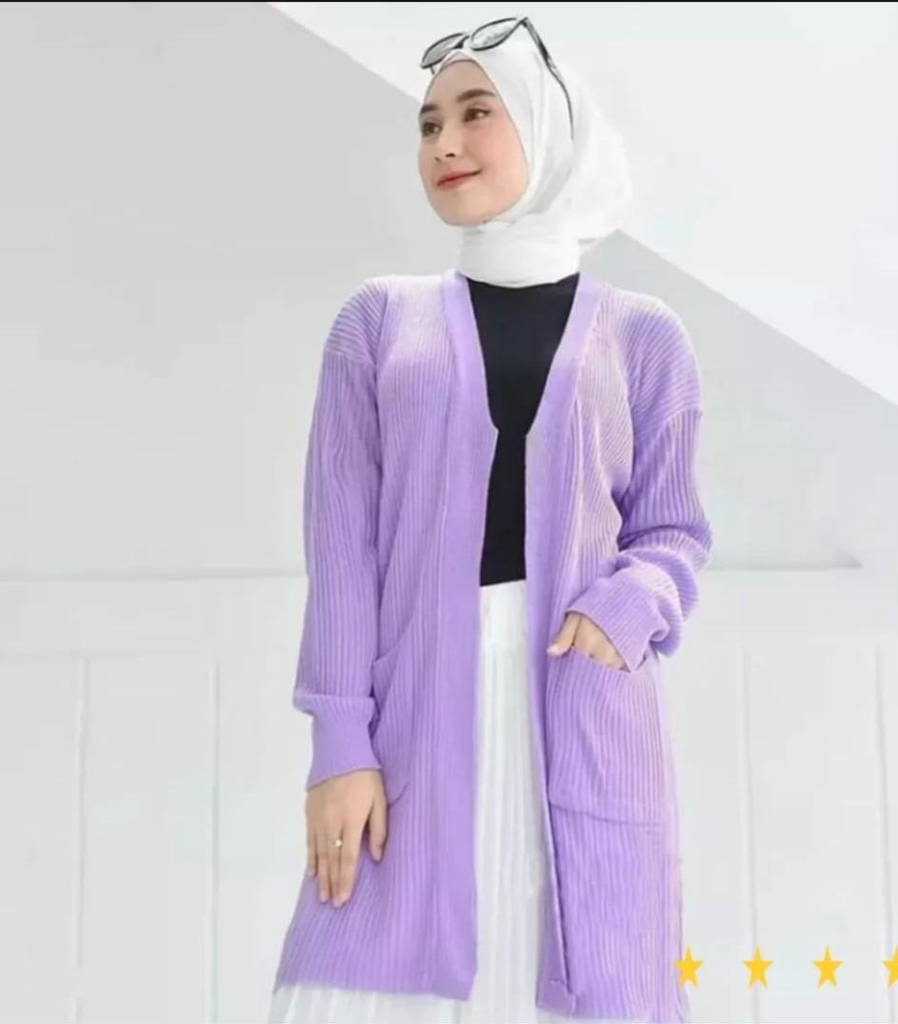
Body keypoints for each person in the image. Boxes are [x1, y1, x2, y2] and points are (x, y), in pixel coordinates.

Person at [268, 16, 712, 1024]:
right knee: (351, 986)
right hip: (412, 706)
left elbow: (674, 533)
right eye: (429, 125)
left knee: (584, 970)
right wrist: (340, 744)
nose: (445, 144)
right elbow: (341, 551)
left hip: (587, 707)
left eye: (477, 114)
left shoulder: (645, 337)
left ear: (548, 130)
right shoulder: (377, 322)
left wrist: (627, 605)